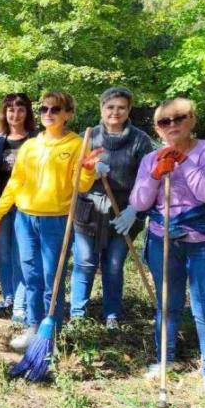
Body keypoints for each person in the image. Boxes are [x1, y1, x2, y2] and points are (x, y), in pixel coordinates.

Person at [130, 98, 205, 402]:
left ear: (191, 120)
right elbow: (140, 203)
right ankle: (164, 361)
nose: (172, 125)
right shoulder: (150, 158)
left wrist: (184, 162)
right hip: (162, 240)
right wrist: (156, 174)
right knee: (167, 305)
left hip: (202, 242)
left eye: (178, 118)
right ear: (157, 129)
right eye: (163, 122)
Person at [0, 91, 101, 349]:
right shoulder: (31, 145)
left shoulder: (76, 145)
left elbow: (79, 186)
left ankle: (50, 334)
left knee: (51, 279)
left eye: (55, 109)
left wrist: (88, 171)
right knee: (31, 275)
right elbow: (15, 183)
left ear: (68, 114)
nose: (48, 114)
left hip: (56, 221)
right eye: (44, 109)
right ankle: (33, 327)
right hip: (25, 219)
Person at [69, 88, 154, 330]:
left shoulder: (140, 140)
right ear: (101, 109)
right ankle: (77, 314)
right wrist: (87, 171)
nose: (115, 112)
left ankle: (112, 315)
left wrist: (135, 210)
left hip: (123, 212)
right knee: (84, 261)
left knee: (114, 263)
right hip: (89, 209)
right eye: (110, 107)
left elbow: (147, 178)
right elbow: (72, 173)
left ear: (128, 110)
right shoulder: (88, 137)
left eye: (121, 107)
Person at [0, 93, 37, 321]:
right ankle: (8, 297)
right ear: (4, 113)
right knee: (4, 254)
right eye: (10, 110)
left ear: (27, 113)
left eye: (20, 110)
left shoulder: (37, 140)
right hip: (1, 206)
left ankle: (20, 305)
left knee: (22, 256)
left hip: (27, 206)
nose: (15, 115)